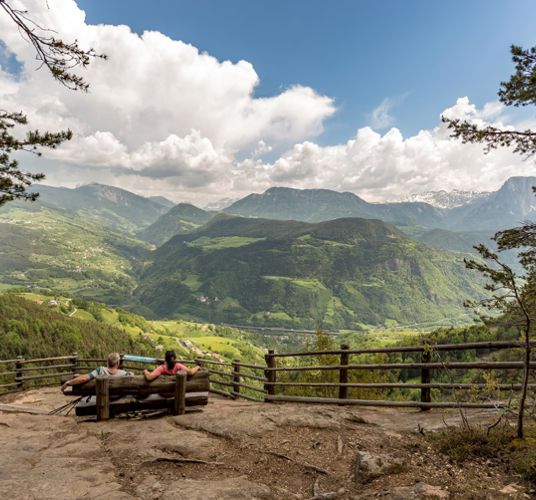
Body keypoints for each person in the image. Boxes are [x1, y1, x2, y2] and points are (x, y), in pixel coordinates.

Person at [61, 352, 131, 393]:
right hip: (117, 398)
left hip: (103, 397)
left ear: (108, 362)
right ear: (118, 363)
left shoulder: (100, 370)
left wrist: (69, 382)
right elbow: (132, 379)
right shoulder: (123, 373)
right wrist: (131, 374)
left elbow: (84, 379)